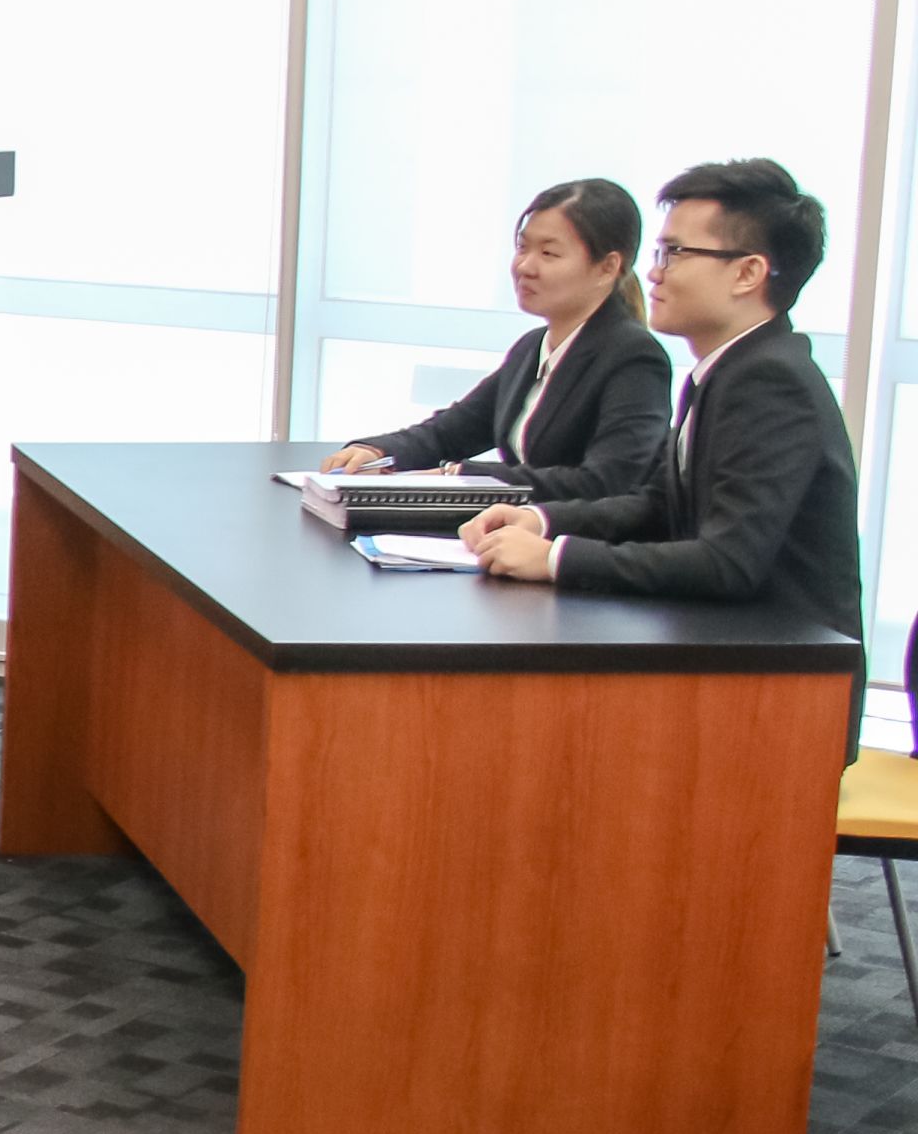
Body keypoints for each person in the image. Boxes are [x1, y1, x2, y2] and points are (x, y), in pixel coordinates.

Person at [461, 157, 866, 738]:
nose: (653, 274)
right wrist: (540, 519)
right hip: (732, 664)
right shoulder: (724, 370)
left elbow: (728, 561)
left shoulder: (770, 382)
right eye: (659, 252)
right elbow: (656, 505)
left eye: (677, 253)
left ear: (748, 272)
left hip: (783, 701)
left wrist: (555, 559)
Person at [320, 177, 668, 498]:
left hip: (573, 553)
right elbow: (451, 432)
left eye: (548, 253)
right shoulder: (533, 348)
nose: (525, 266)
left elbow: (607, 482)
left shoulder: (633, 356)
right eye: (522, 248)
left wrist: (463, 476)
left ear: (607, 267)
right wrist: (378, 452)